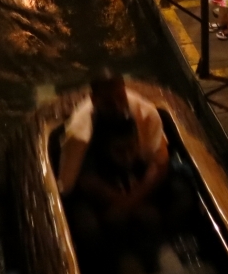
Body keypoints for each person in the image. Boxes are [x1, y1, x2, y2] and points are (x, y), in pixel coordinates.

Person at [58, 71, 169, 200]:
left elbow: (160, 161)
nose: (117, 107)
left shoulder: (146, 114)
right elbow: (71, 183)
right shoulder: (79, 134)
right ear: (94, 100)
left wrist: (131, 202)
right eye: (108, 102)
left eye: (121, 98)